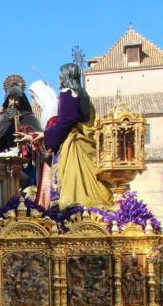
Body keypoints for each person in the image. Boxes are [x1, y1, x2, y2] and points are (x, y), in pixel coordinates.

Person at [44, 63, 113, 210]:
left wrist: (47, 135)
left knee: (73, 181)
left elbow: (67, 118)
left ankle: (74, 209)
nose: (59, 79)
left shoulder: (67, 92)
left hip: (74, 144)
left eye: (60, 75)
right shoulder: (84, 95)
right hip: (85, 141)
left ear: (65, 76)